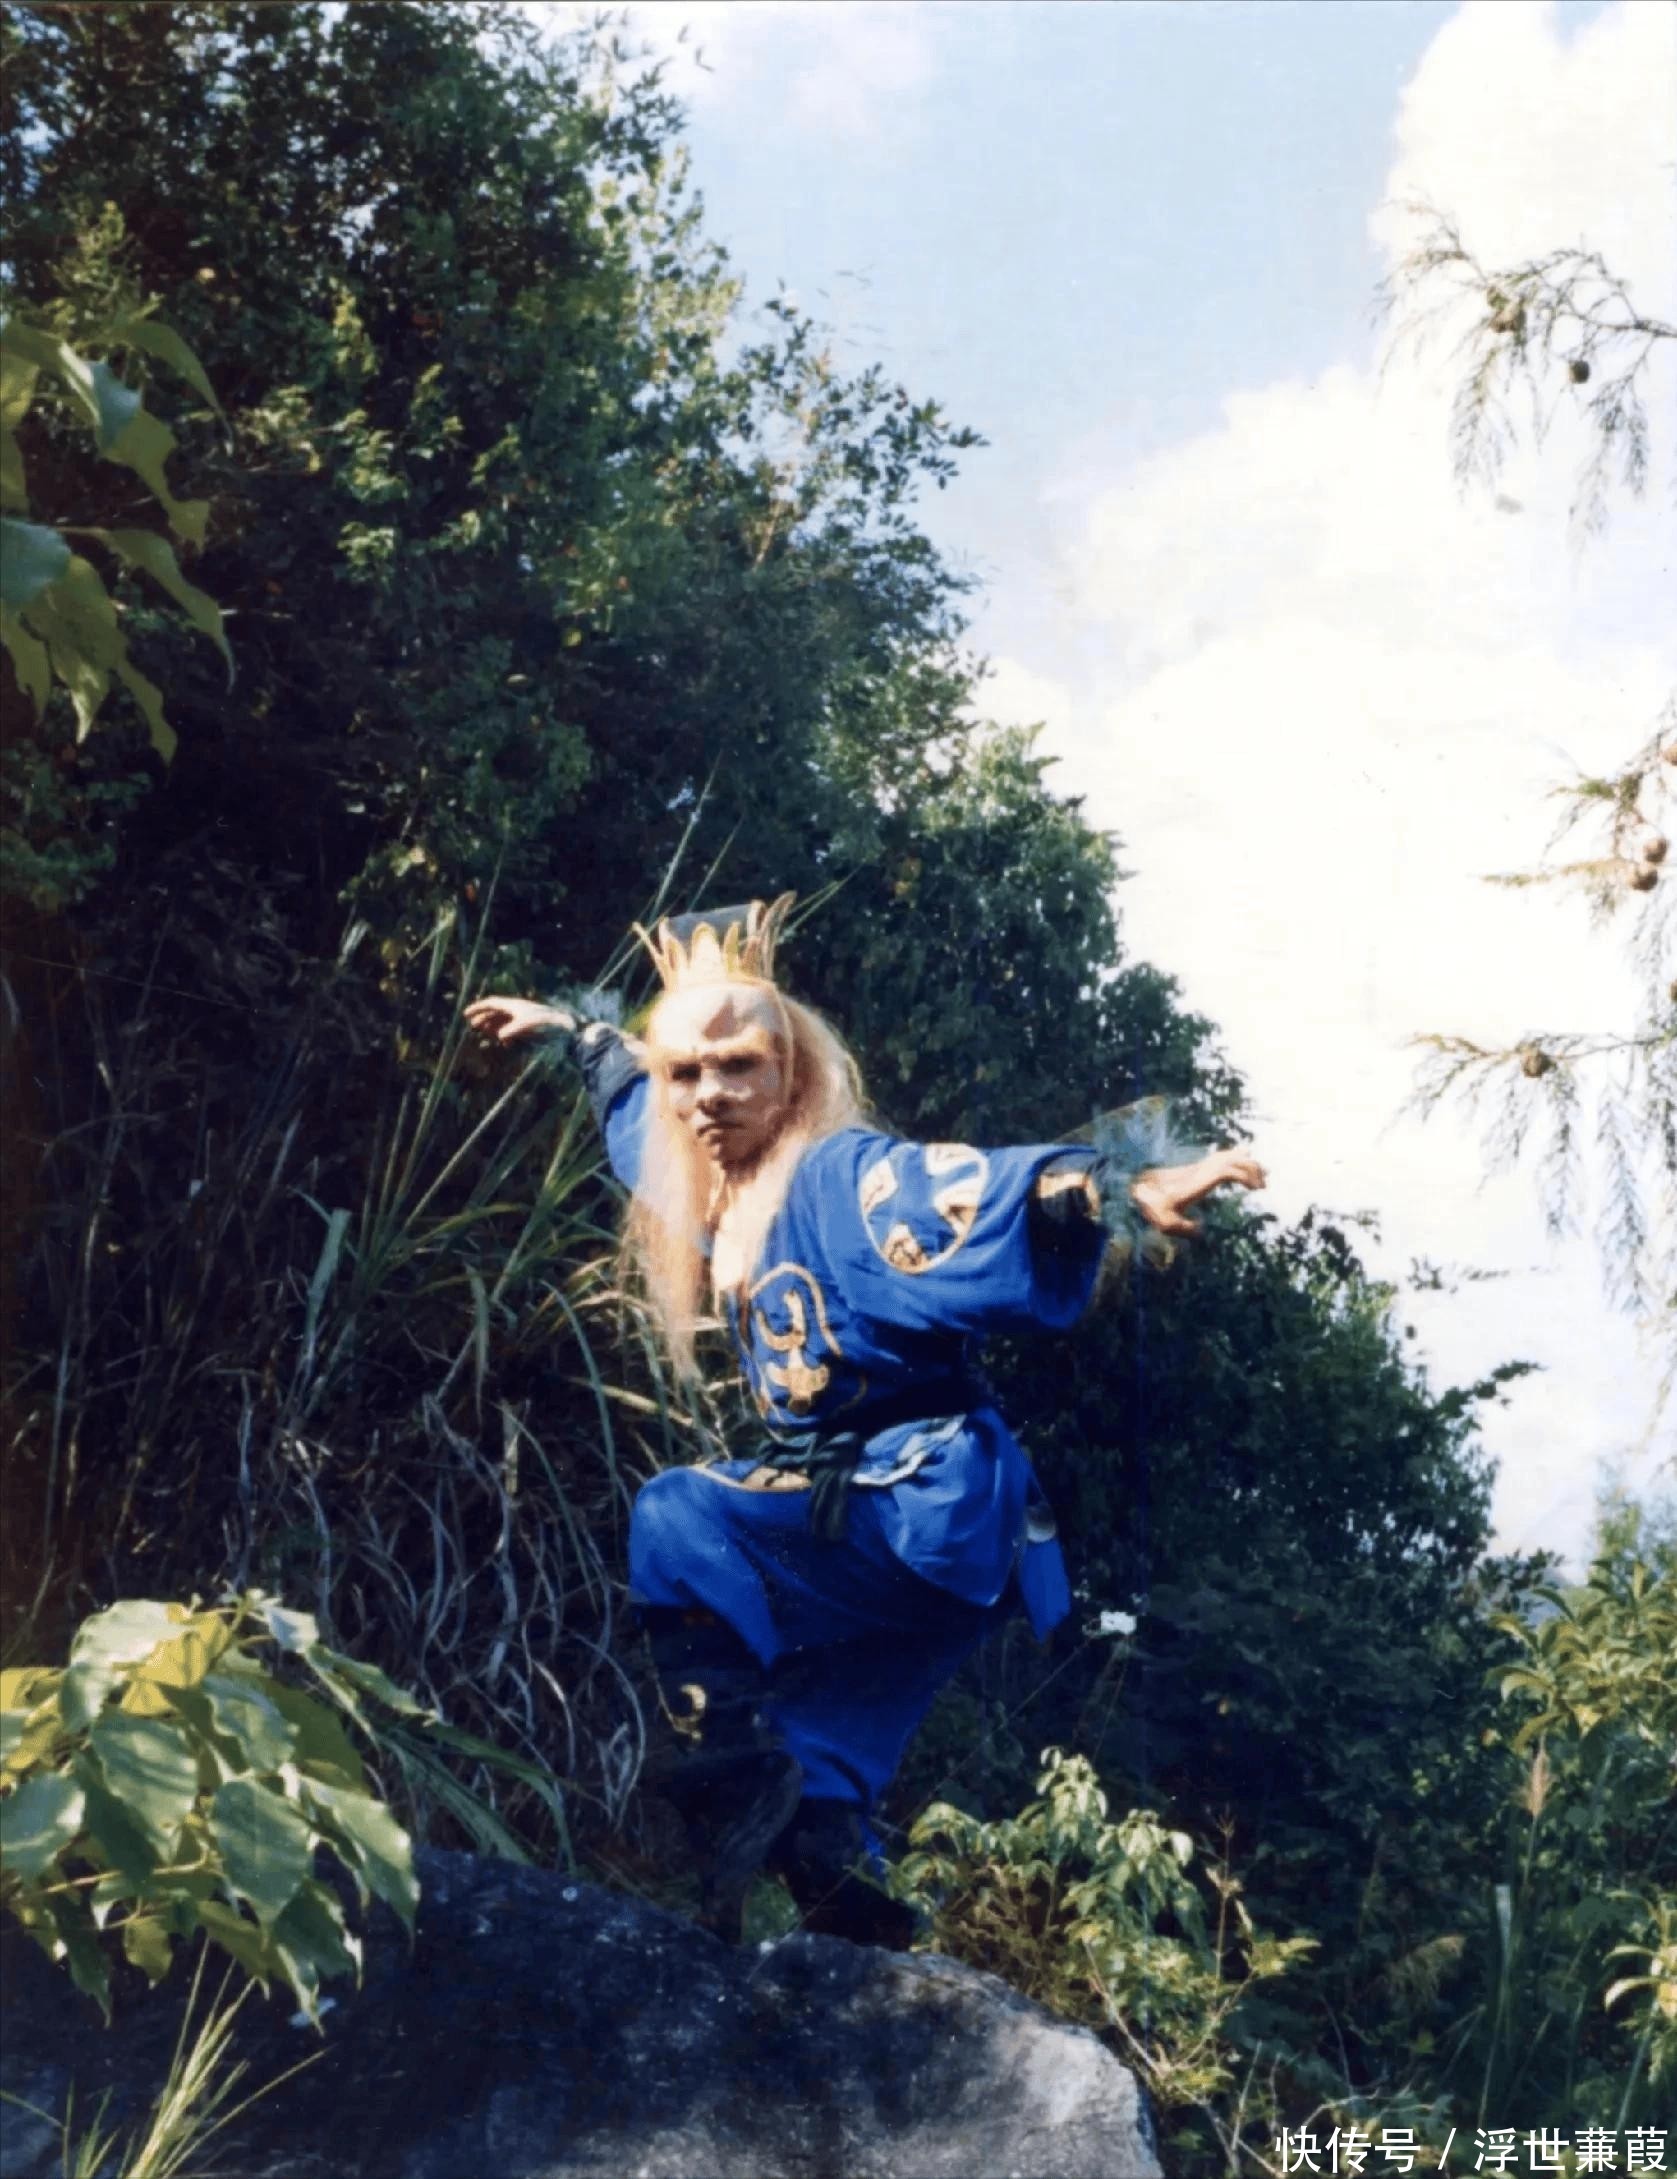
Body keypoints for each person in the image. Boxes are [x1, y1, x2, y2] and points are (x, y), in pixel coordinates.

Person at [466, 895, 1263, 1943]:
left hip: (922, 1498)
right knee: (827, 1766)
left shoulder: (839, 1177)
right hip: (940, 1550)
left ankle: (725, 1770)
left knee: (678, 1516)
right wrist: (574, 1035)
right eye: (686, 1074)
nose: (707, 1096)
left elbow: (963, 1191)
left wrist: (1108, 1186)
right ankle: (855, 1930)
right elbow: (633, 1108)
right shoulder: (715, 1195)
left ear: (790, 1074)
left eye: (738, 1067)